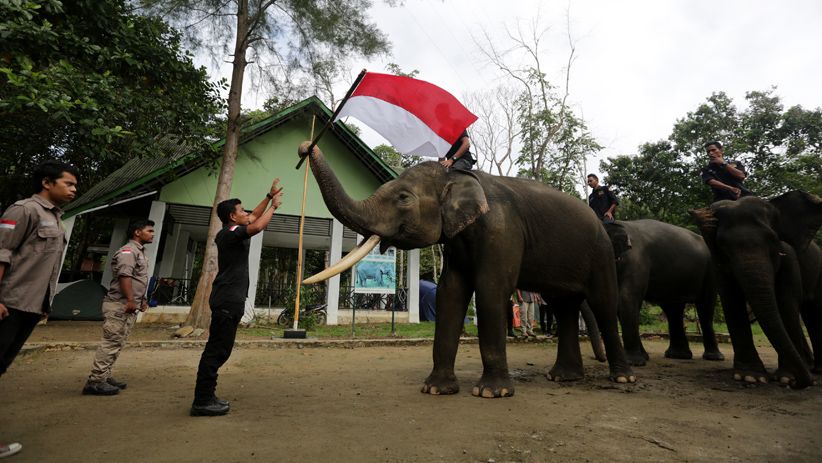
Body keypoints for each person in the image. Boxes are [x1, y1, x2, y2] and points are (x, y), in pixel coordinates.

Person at [0, 160, 78, 458]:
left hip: (30, 306)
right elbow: (2, 253)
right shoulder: (24, 210)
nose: (73, 189)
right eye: (68, 183)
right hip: (10, 304)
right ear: (47, 182)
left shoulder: (56, 218)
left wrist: (44, 304)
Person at [190, 179, 283, 417]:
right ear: (232, 217)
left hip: (231, 299)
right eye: (241, 210)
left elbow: (253, 218)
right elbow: (257, 225)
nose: (247, 213)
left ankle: (206, 396)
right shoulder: (228, 233)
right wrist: (274, 207)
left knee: (221, 348)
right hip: (226, 299)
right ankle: (202, 400)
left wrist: (268, 196)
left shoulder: (233, 229)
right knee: (217, 350)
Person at [82, 219, 155, 395]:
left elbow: (138, 280)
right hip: (119, 305)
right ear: (137, 232)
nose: (153, 234)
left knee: (118, 342)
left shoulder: (140, 252)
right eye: (149, 231)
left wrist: (141, 299)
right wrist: (131, 299)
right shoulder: (128, 252)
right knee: (111, 342)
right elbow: (125, 276)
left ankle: (105, 376)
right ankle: (95, 381)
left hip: (128, 305)